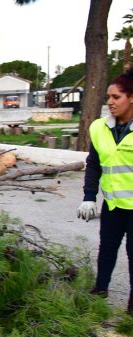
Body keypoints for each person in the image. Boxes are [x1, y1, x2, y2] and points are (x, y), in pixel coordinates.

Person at [78, 68, 133, 315]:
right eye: (108, 97)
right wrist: (89, 197)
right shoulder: (100, 128)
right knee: (107, 248)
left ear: (131, 98)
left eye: (116, 97)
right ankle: (100, 290)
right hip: (112, 205)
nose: (110, 102)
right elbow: (93, 163)